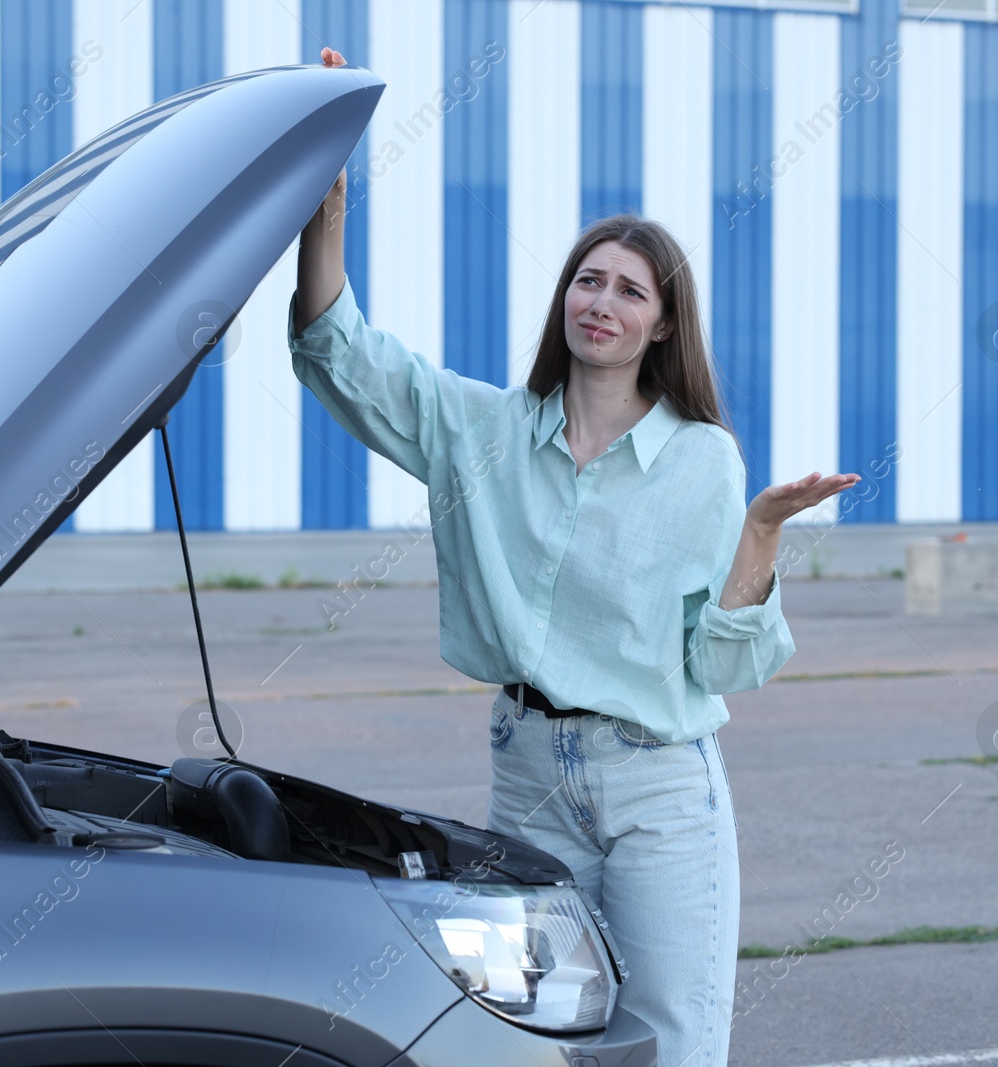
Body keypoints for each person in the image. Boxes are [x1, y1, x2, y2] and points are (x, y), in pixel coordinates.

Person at [289, 46, 859, 1067]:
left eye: (629, 290)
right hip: (526, 772)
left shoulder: (703, 463)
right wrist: (322, 206)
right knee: (535, 1041)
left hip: (655, 784)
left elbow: (721, 664)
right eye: (586, 281)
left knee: (675, 1042)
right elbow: (341, 350)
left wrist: (762, 533)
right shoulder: (481, 434)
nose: (601, 301)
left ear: (662, 323)